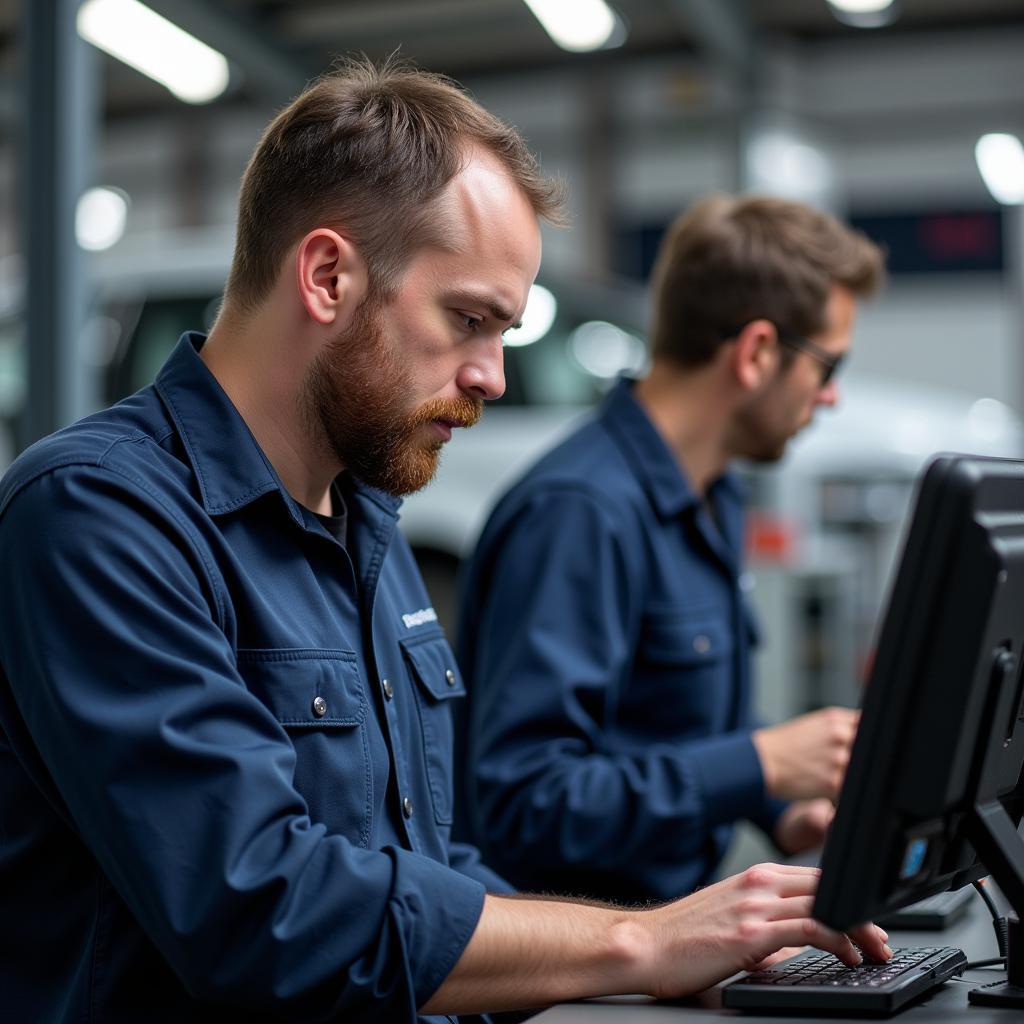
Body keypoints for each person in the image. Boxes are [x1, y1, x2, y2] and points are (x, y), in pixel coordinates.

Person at [0, 63, 888, 1023]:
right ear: (328, 276)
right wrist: (638, 941)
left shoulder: (366, 522)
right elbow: (261, 907)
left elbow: (427, 864)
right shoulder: (97, 514)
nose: (494, 376)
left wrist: (678, 944)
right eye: (470, 320)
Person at [458, 194, 886, 905]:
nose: (830, 398)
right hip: (578, 974)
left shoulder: (714, 493)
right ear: (756, 354)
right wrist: (756, 765)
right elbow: (525, 804)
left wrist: (780, 805)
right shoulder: (579, 515)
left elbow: (676, 726)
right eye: (827, 369)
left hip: (678, 927)